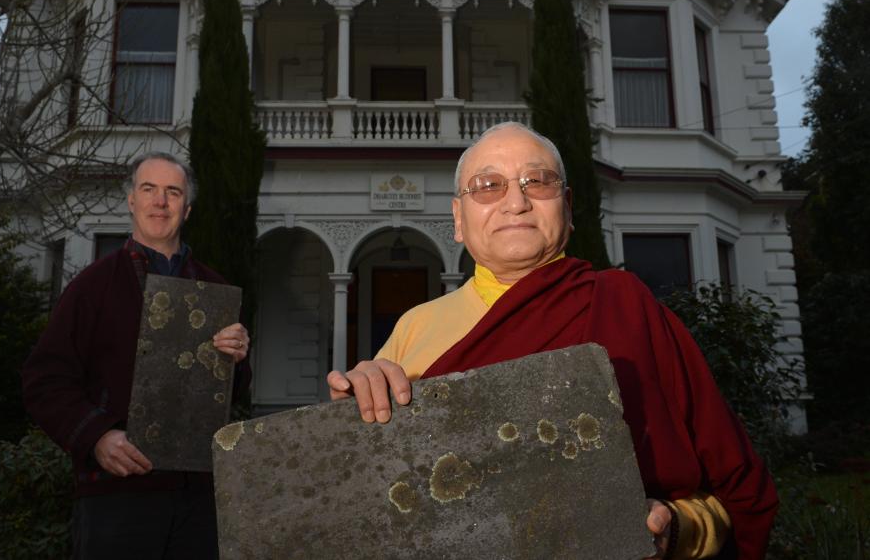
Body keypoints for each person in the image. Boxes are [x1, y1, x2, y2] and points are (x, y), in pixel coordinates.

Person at [327, 122, 777, 559]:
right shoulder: (415, 329)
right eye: (488, 186)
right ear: (458, 219)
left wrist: (677, 529)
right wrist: (354, 414)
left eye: (537, 182)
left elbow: (737, 496)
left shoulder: (626, 308)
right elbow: (368, 504)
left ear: (568, 206)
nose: (516, 202)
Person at [22, 152, 251, 559]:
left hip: (196, 493)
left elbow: (232, 395)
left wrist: (237, 358)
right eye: (149, 189)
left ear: (188, 207)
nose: (160, 201)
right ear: (131, 201)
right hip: (115, 492)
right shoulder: (91, 287)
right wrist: (95, 436)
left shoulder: (216, 291)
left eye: (172, 192)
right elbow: (44, 381)